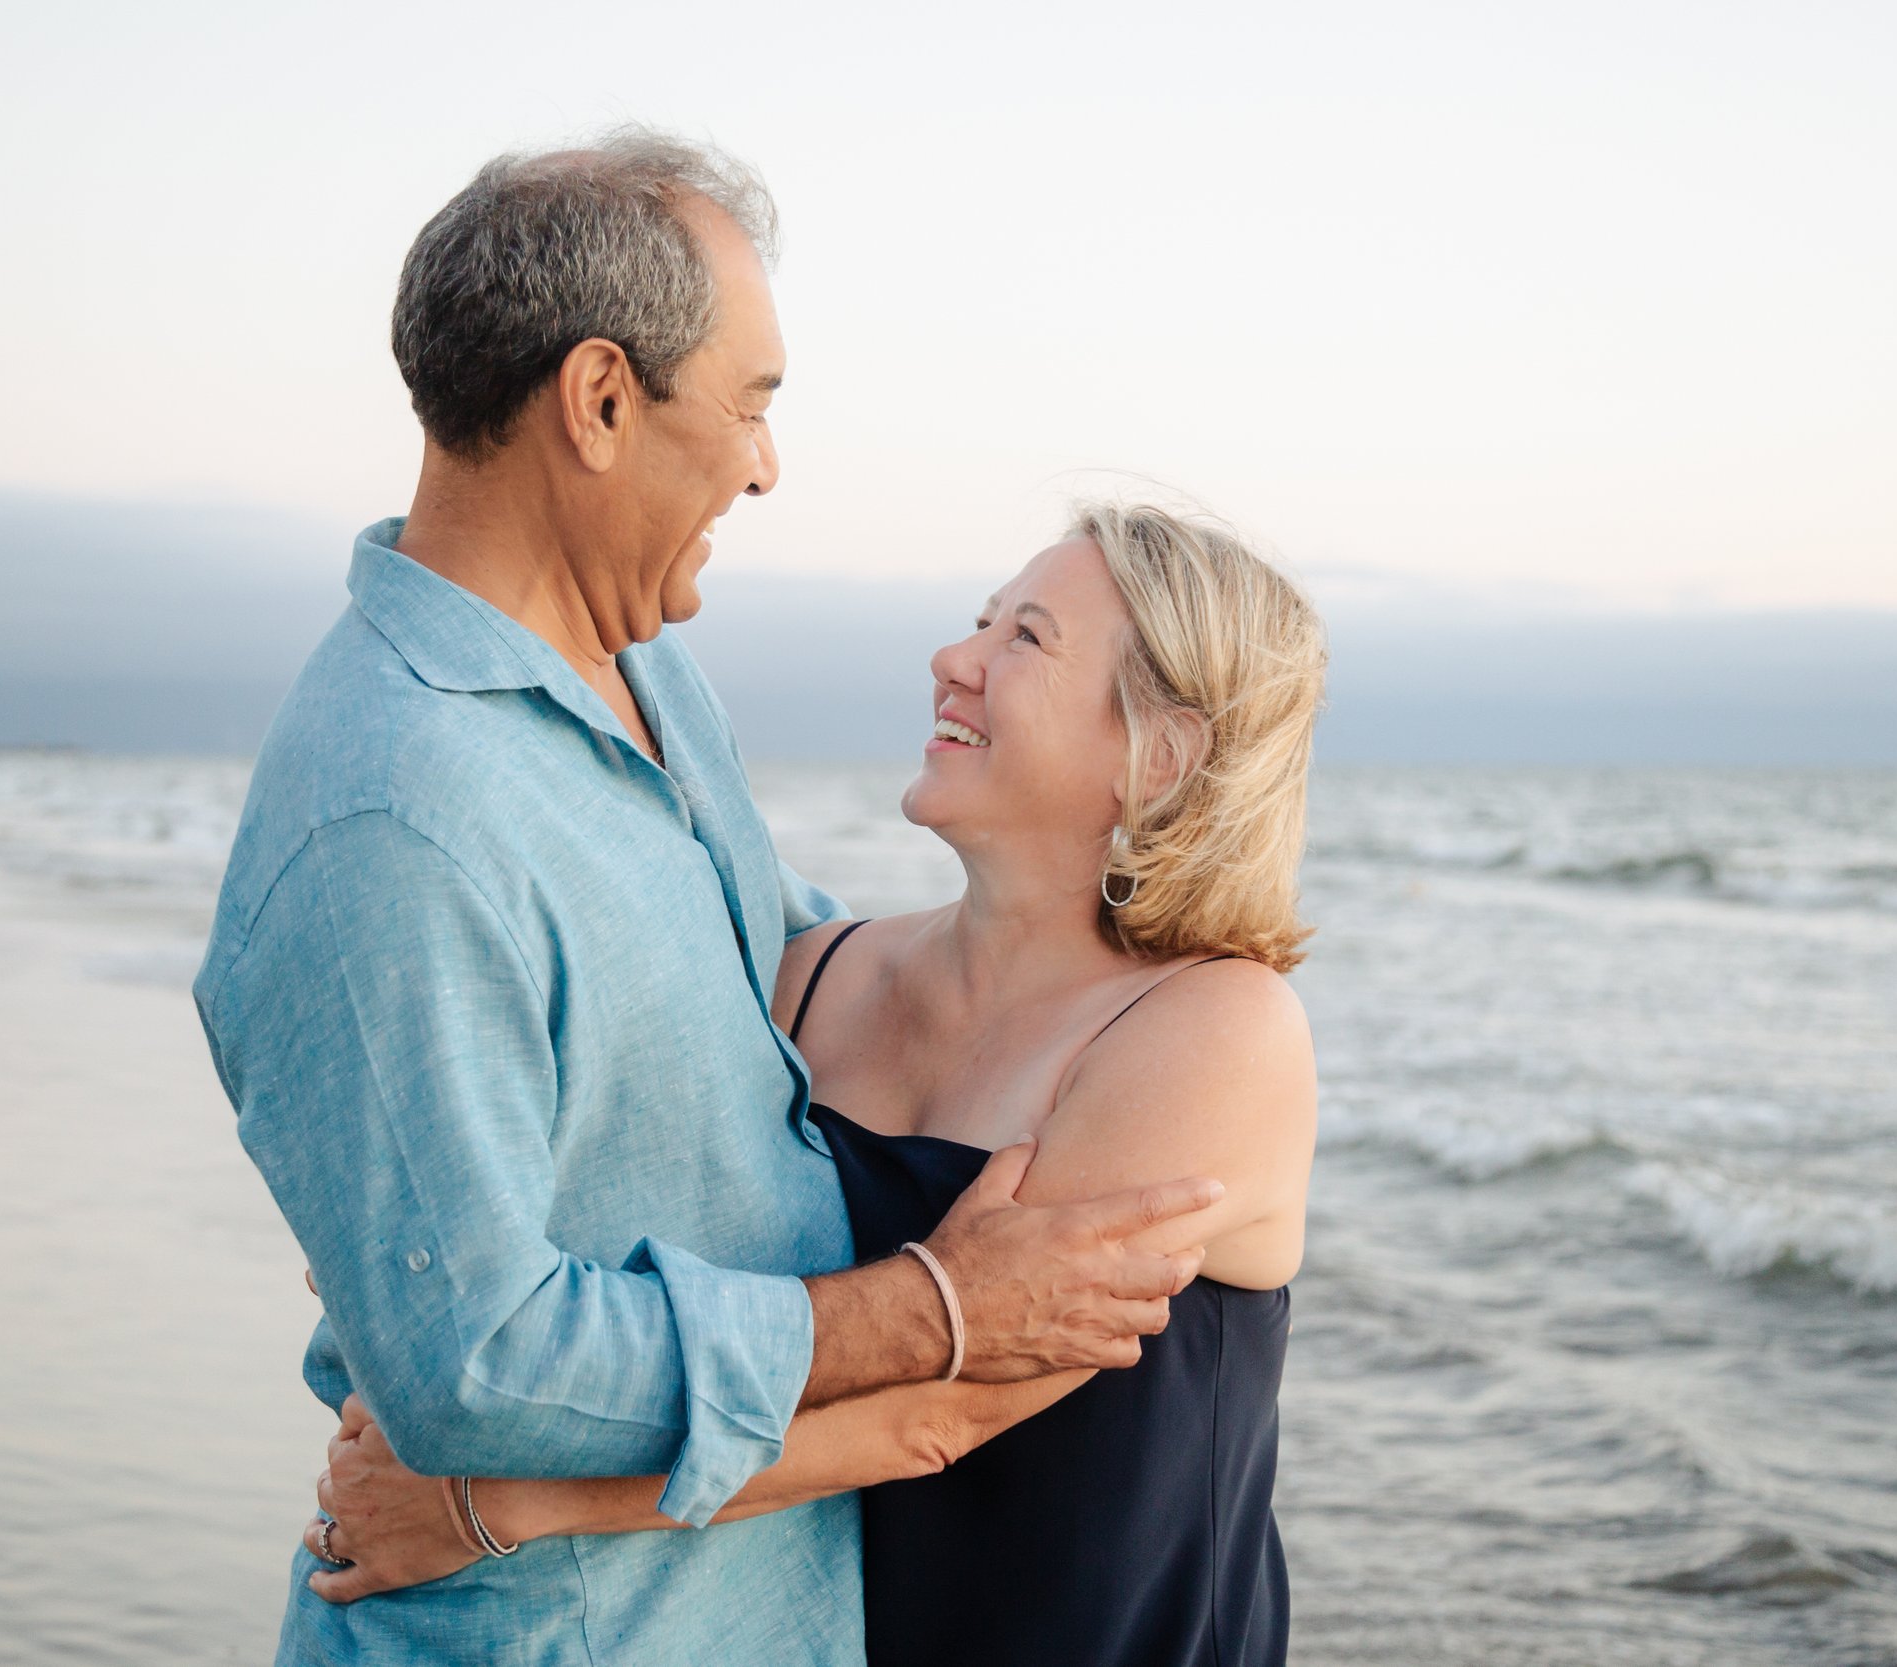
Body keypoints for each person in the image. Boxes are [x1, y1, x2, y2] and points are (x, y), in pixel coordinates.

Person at [192, 131, 1223, 1667]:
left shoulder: (648, 671)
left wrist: (1108, 967)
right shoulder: (388, 813)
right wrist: (930, 1305)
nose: (764, 462)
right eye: (749, 403)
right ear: (601, 402)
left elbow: (772, 969)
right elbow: (478, 1356)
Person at [302, 502, 1327, 1667]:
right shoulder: (818, 974)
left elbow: (942, 1411)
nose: (956, 658)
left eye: (1027, 638)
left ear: (1162, 751)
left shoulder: (1215, 1030)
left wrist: (496, 1504)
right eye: (980, 621)